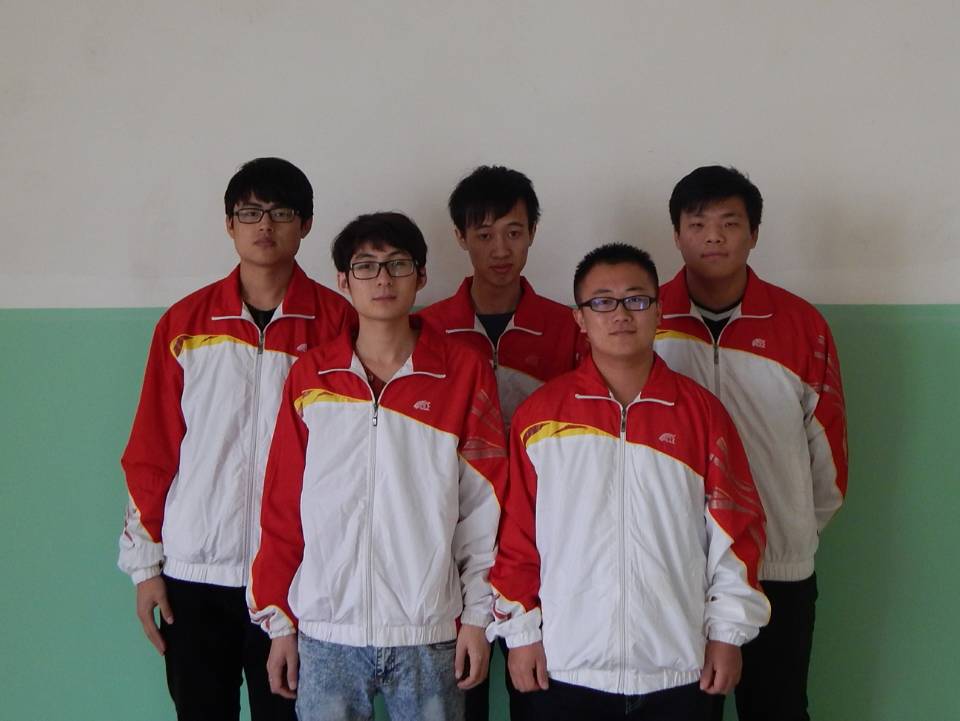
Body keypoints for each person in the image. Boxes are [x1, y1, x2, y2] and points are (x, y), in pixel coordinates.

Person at [487, 243, 769, 721]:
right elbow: (515, 537)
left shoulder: (701, 415)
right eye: (602, 302)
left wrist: (727, 634)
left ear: (659, 311)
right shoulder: (541, 418)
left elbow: (737, 534)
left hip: (679, 667)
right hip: (565, 666)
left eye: (636, 299)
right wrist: (521, 634)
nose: (620, 314)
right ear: (580, 318)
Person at [118, 157, 356, 720]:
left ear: (306, 224)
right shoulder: (185, 325)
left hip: (295, 575)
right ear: (229, 224)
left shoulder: (338, 325)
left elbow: (352, 461)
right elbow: (153, 449)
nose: (265, 225)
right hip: (194, 572)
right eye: (250, 213)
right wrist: (146, 567)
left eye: (281, 212)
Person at [248, 212, 508, 721]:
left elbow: (484, 507)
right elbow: (282, 504)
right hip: (327, 633)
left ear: (421, 275)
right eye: (366, 266)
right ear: (343, 281)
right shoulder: (312, 376)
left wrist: (478, 616)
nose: (383, 279)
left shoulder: (462, 373)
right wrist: (279, 622)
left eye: (397, 264)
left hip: (427, 633)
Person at [655, 165, 848, 721]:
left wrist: (791, 529)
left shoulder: (801, 325)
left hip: (778, 566)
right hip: (677, 565)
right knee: (685, 711)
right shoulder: (646, 319)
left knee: (778, 708)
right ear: (677, 235)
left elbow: (829, 456)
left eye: (729, 223)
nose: (713, 237)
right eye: (697, 224)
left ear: (754, 233)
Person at [419, 164, 586, 721]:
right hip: (451, 544)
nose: (500, 249)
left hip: (540, 547)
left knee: (537, 698)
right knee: (457, 700)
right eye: (484, 233)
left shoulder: (570, 329)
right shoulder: (426, 329)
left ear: (533, 232)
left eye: (514, 232)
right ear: (460, 236)